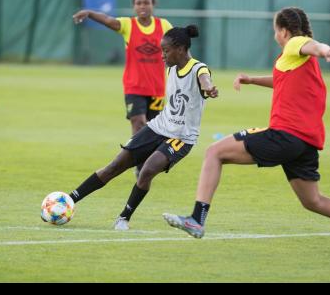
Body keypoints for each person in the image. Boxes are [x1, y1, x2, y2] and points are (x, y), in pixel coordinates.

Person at [163, 7, 330, 252]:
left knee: (214, 152)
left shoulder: (294, 45)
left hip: (285, 134)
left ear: (283, 31)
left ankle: (197, 219)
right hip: (305, 142)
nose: (274, 35)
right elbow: (281, 79)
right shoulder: (295, 61)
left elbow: (310, 44)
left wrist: (324, 49)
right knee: (313, 200)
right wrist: (251, 80)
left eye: (274, 31)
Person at [67, 25, 218, 230]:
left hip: (181, 137)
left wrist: (209, 88)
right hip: (157, 127)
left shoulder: (198, 68)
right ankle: (67, 201)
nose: (162, 55)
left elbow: (204, 79)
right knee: (115, 166)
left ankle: (123, 218)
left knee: (147, 170)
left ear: (181, 49)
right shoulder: (171, 68)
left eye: (166, 50)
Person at [72, 0, 172, 167]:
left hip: (157, 87)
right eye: (138, 3)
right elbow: (108, 20)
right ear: (133, 6)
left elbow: (177, 45)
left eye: (146, 2)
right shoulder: (128, 25)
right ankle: (139, 165)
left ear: (153, 5)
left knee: (154, 128)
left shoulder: (164, 26)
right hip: (134, 86)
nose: (142, 6)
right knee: (138, 122)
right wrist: (89, 13)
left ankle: (146, 160)